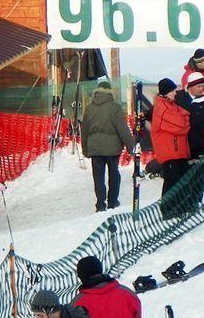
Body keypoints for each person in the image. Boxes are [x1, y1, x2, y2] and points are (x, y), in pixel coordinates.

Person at [81, 81, 138, 212]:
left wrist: (85, 149)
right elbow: (123, 129)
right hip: (112, 148)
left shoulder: (89, 108)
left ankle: (100, 204)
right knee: (114, 174)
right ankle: (112, 201)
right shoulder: (115, 107)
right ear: (109, 91)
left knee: (98, 176)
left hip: (95, 148)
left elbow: (84, 130)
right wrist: (131, 147)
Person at [149, 78, 191, 215]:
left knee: (178, 181)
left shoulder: (171, 105)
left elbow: (186, 115)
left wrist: (184, 119)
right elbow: (181, 126)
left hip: (177, 150)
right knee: (171, 181)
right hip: (170, 151)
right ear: (166, 93)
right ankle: (168, 210)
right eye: (173, 91)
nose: (175, 93)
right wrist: (184, 120)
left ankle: (178, 208)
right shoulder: (163, 107)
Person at [176, 73, 204, 158]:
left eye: (202, 86)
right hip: (181, 140)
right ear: (190, 86)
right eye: (198, 86)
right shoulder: (178, 97)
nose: (201, 89)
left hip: (199, 142)